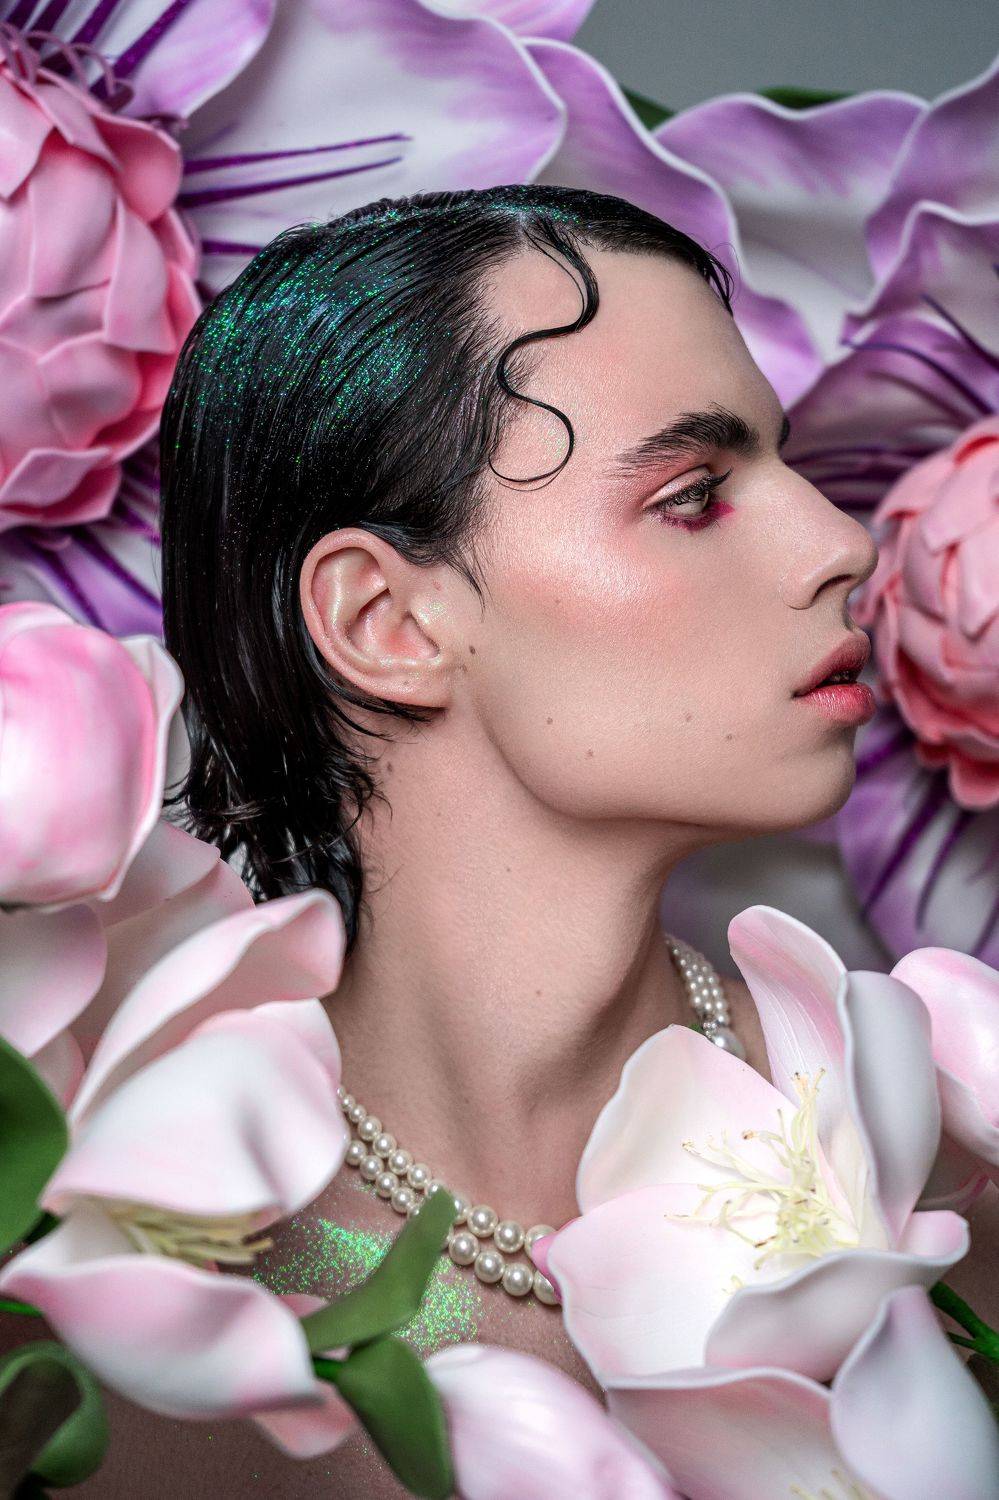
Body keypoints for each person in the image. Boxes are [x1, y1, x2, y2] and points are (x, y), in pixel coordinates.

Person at [148, 182, 881, 1494]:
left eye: (788, 465)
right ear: (386, 622)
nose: (842, 542)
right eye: (694, 494)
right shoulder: (151, 1309)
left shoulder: (919, 1157)